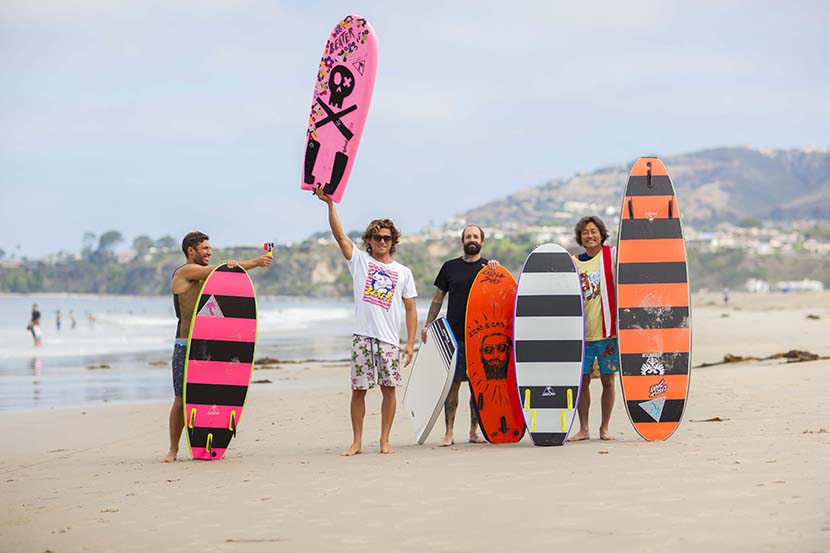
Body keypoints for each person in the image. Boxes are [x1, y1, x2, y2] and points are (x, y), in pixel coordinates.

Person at [315, 185, 418, 456]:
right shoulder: (360, 262)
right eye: (376, 237)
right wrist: (329, 205)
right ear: (369, 241)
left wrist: (409, 343)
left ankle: (384, 440)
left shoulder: (403, 272)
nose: (382, 241)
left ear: (392, 241)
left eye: (386, 237)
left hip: (389, 341)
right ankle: (357, 442)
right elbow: (339, 236)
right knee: (358, 391)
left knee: (389, 390)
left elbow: (410, 309)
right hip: (363, 336)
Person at [161, 231, 272, 462]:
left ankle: (206, 440)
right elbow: (216, 270)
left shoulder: (210, 278)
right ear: (191, 251)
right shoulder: (185, 272)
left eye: (210, 248)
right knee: (182, 399)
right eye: (205, 248)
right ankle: (173, 450)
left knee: (207, 396)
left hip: (207, 345)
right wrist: (254, 262)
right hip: (185, 345)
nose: (209, 252)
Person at [421, 224, 498, 446]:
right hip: (455, 335)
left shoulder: (489, 269)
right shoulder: (449, 267)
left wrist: (496, 270)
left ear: (482, 241)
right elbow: (438, 298)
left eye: (475, 236)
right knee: (452, 385)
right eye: (468, 236)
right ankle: (449, 432)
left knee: (477, 386)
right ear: (462, 241)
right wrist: (427, 325)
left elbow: (501, 296)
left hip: (481, 337)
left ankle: (474, 431)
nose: (471, 239)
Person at [569, 216, 620, 442]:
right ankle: (584, 429)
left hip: (608, 332)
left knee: (608, 380)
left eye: (593, 231)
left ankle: (604, 428)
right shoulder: (573, 262)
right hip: (582, 333)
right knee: (583, 381)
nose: (590, 236)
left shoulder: (612, 256)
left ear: (601, 233)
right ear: (580, 237)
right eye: (585, 233)